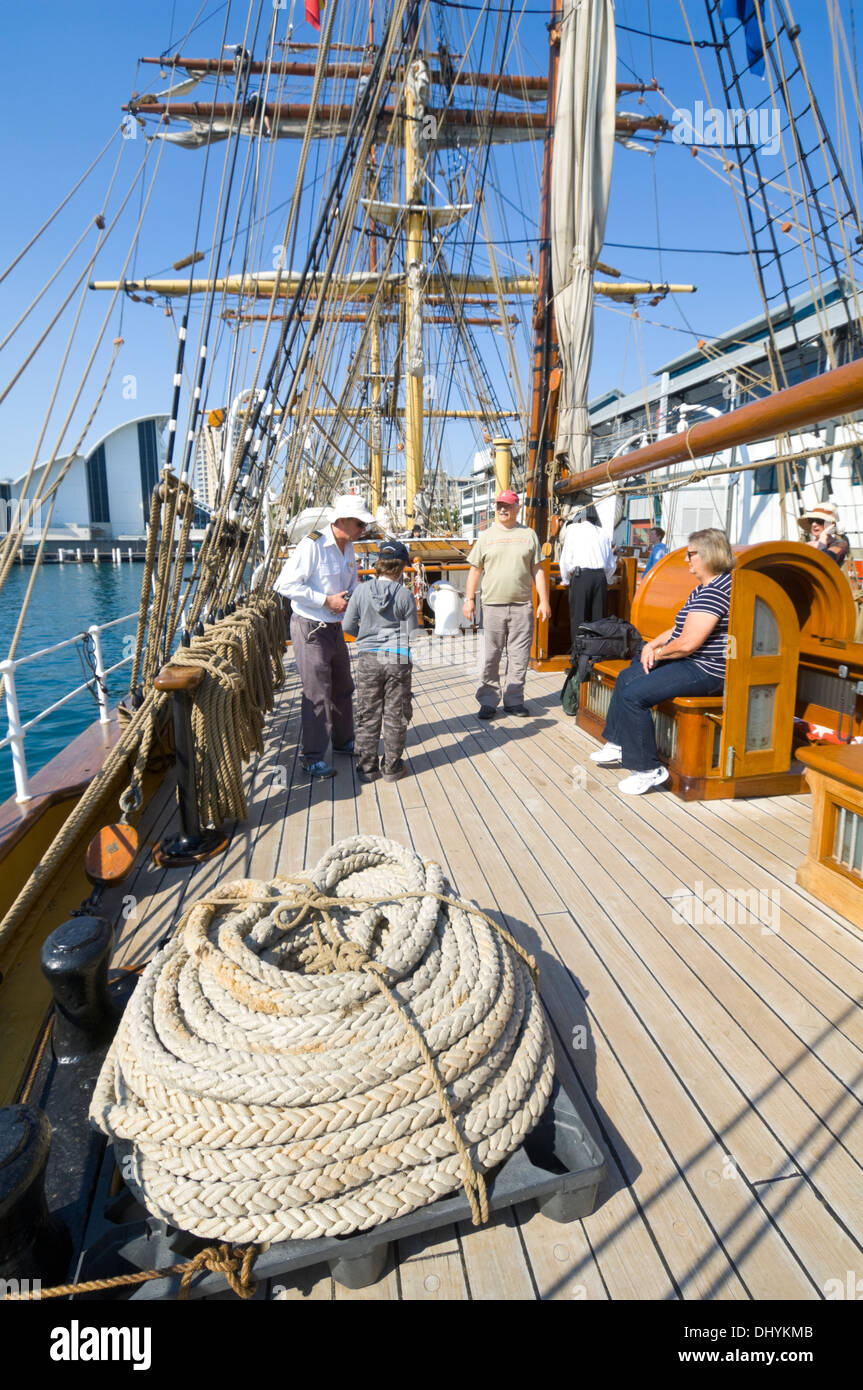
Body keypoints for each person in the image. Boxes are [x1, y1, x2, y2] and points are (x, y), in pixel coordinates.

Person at [590, 528, 735, 795]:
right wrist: (654, 644)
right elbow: (680, 628)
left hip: (706, 670)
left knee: (635, 695)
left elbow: (688, 644)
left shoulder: (717, 591)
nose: (687, 560)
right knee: (627, 677)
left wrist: (656, 654)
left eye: (690, 554)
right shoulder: (704, 588)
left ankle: (648, 769)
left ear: (707, 555)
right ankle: (620, 742)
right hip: (691, 661)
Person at [275, 494, 374, 779]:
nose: (363, 529)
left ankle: (344, 742)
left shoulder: (349, 545)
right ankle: (312, 758)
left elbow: (349, 582)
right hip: (311, 627)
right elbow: (284, 584)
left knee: (343, 686)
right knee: (317, 693)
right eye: (359, 523)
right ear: (341, 521)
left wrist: (349, 602)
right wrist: (324, 600)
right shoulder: (313, 545)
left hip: (334, 626)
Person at [462, 489, 551, 719]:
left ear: (517, 508)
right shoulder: (486, 536)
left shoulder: (529, 534)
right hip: (492, 606)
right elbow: (474, 570)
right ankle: (488, 701)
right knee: (490, 656)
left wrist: (544, 601)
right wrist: (469, 599)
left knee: (519, 656)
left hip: (522, 606)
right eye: (499, 504)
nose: (503, 509)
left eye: (508, 505)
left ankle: (514, 700)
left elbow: (537, 570)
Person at [342, 540, 418, 782]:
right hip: (396, 658)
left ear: (379, 564)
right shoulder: (405, 595)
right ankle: (392, 767)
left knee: (368, 712)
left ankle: (367, 768)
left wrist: (365, 638)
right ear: (402, 566)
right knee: (395, 713)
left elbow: (346, 626)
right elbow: (411, 633)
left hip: (368, 658)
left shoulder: (361, 591)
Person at [558, 505, 617, 653]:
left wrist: (565, 580)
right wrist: (605, 579)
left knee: (579, 620)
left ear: (580, 518)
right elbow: (611, 566)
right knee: (599, 620)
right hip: (600, 578)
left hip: (581, 577)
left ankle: (578, 662)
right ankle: (596, 658)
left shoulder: (572, 530)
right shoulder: (603, 533)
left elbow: (565, 560)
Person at [796, 504, 850, 568]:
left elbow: (826, 562)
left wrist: (823, 538)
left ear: (830, 525)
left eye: (819, 521)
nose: (814, 524)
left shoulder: (840, 544)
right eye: (811, 521)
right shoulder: (807, 544)